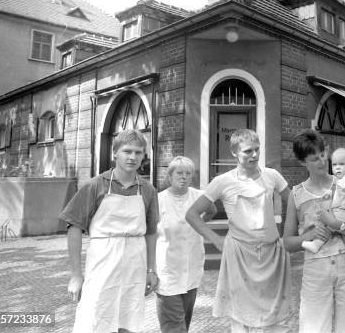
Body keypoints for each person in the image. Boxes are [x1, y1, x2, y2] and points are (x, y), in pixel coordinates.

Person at [185, 129, 293, 332]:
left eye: (257, 149)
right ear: (234, 152)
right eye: (248, 151)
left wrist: (289, 234)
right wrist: (216, 239)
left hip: (271, 254)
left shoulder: (272, 176)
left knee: (275, 315)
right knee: (241, 317)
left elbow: (295, 203)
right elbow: (192, 214)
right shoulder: (222, 182)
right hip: (240, 255)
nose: (254, 155)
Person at [60, 129, 159, 333]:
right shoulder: (96, 185)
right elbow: (74, 227)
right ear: (115, 153)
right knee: (95, 316)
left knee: (129, 318)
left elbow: (150, 233)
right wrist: (76, 275)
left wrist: (151, 270)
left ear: (144, 156)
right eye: (127, 151)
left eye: (138, 152)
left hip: (135, 261)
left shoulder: (148, 190)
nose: (132, 157)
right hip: (103, 258)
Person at [283, 130, 345, 333]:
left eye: (323, 155)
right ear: (302, 162)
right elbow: (287, 243)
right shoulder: (296, 194)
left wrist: (337, 224)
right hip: (316, 269)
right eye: (314, 159)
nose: (322, 162)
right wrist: (307, 237)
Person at [155, 156, 217, 333]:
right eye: (179, 173)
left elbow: (212, 210)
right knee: (175, 325)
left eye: (188, 173)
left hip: (192, 267)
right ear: (170, 175)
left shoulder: (199, 197)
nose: (184, 177)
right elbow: (150, 233)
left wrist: (200, 224)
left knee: (184, 321)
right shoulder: (158, 200)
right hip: (167, 269)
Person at [302, 147, 345, 266]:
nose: (338, 167)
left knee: (326, 226)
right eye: (335, 165)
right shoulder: (342, 180)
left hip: (342, 212)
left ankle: (316, 244)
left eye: (341, 164)